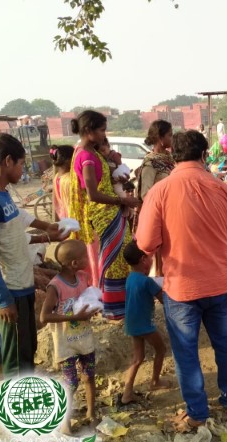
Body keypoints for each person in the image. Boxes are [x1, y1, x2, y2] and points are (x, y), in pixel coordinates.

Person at [136, 130, 227, 429]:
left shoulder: (161, 191)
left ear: (173, 156)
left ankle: (197, 412)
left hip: (181, 286)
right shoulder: (221, 188)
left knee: (186, 352)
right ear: (204, 154)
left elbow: (146, 242)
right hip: (218, 281)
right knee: (225, 344)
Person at [0, 134, 66, 378]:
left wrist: (48, 227)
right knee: (18, 357)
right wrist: (3, 299)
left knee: (23, 347)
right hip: (10, 288)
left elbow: (18, 219)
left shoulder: (2, 194)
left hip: (21, 284)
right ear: (7, 161)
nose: (23, 170)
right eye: (21, 164)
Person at [69, 110, 140, 320]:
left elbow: (105, 182)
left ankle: (121, 305)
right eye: (101, 130)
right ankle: (113, 307)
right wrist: (123, 201)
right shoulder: (86, 156)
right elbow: (93, 194)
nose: (104, 134)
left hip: (111, 212)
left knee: (120, 257)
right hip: (103, 214)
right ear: (88, 130)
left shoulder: (92, 152)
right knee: (114, 260)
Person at [40, 239, 99, 434]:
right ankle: (64, 420)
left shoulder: (82, 278)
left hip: (84, 338)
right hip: (66, 342)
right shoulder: (55, 286)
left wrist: (94, 307)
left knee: (89, 375)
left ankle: (91, 413)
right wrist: (75, 317)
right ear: (74, 263)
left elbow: (86, 299)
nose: (88, 259)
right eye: (84, 257)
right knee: (71, 383)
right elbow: (44, 316)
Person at [121, 240, 170, 405]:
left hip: (132, 323)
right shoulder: (147, 282)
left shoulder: (131, 278)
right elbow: (164, 300)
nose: (151, 260)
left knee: (137, 358)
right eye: (150, 257)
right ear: (143, 260)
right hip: (144, 325)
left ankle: (127, 393)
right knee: (161, 349)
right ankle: (155, 381)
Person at [138, 120, 174, 202]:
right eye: (170, 135)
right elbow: (146, 195)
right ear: (160, 138)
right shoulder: (150, 164)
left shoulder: (171, 158)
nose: (172, 138)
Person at [50, 145, 75, 220]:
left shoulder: (57, 177)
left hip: (63, 217)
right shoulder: (70, 179)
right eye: (74, 157)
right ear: (68, 160)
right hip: (73, 217)